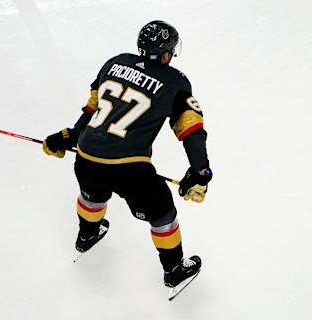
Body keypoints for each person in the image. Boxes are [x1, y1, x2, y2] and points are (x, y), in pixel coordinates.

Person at [42, 20, 212, 289]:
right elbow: (191, 131)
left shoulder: (114, 62)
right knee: (163, 213)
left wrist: (71, 136)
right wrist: (201, 172)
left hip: (86, 157)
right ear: (167, 53)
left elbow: (92, 109)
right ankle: (175, 268)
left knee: (92, 195)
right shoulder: (176, 82)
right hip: (129, 168)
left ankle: (86, 236)